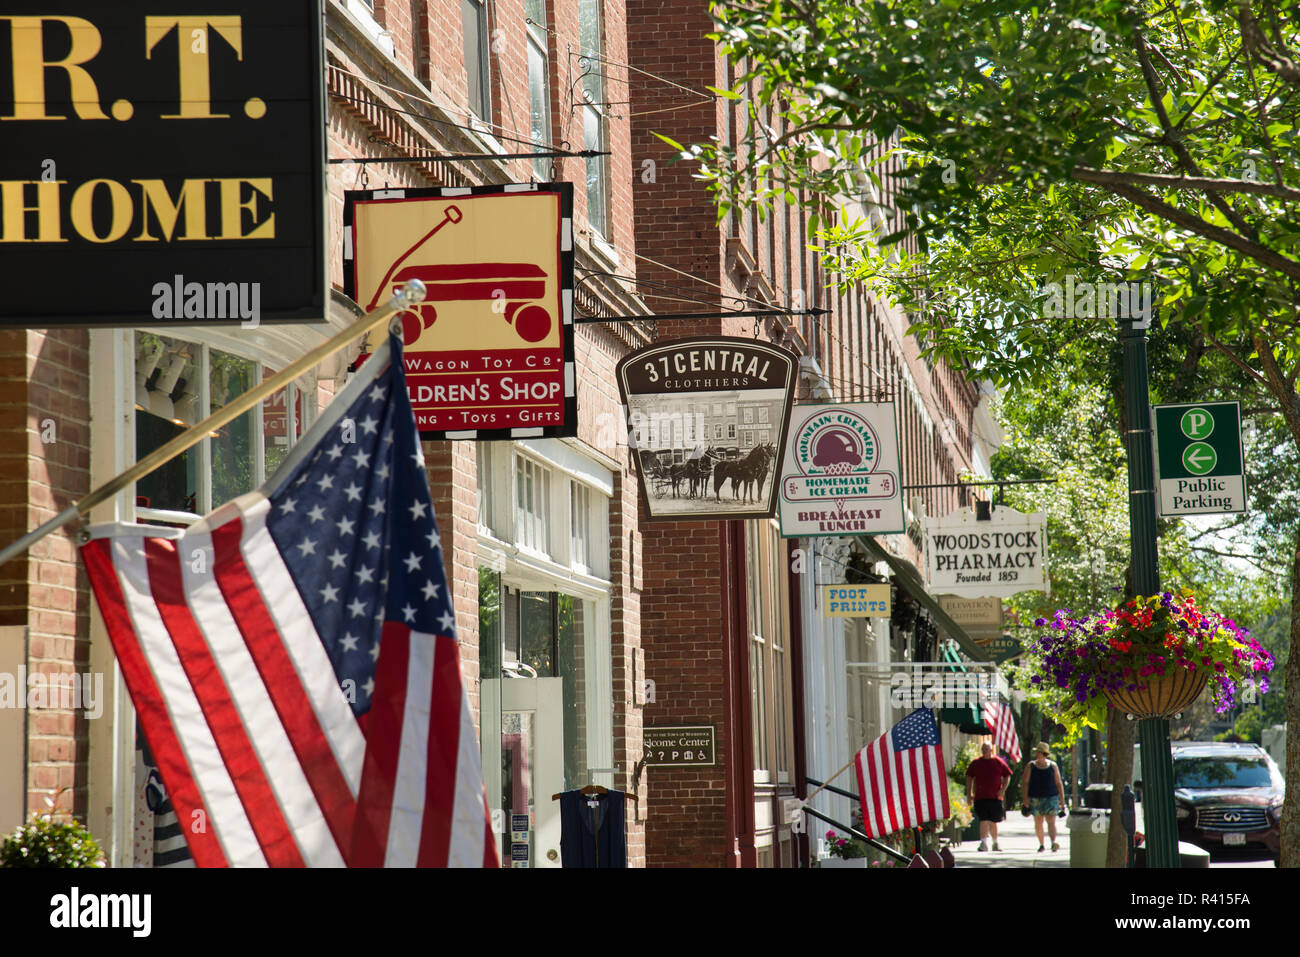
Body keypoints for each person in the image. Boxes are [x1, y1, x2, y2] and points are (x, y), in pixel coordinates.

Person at [965, 742, 1012, 851]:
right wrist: (969, 794)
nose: (985, 751)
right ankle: (983, 843)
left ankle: (995, 843)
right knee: (983, 820)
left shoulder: (998, 762)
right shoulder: (976, 763)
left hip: (995, 797)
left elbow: (1007, 775)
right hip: (980, 797)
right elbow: (969, 777)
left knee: (993, 821)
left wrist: (1003, 790)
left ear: (991, 750)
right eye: (983, 749)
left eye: (987, 749)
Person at [1021, 742, 1067, 852]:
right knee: (1038, 822)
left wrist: (1062, 799)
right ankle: (1041, 844)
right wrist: (1025, 799)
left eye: (1038, 752)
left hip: (1051, 798)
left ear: (1043, 753)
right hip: (1035, 798)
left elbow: (1058, 783)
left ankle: (1053, 843)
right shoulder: (1030, 766)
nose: (1036, 754)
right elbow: (1025, 783)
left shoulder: (1053, 766)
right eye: (1036, 752)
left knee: (1051, 821)